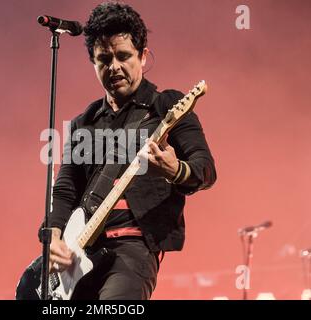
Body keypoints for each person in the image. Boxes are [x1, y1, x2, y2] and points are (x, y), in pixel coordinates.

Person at [47, 2, 216, 300]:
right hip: (81, 253)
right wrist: (54, 236)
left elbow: (205, 169)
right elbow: (64, 189)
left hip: (133, 251)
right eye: (104, 59)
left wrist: (175, 170)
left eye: (123, 56)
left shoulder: (167, 106)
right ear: (93, 63)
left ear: (143, 55)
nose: (114, 66)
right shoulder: (83, 123)